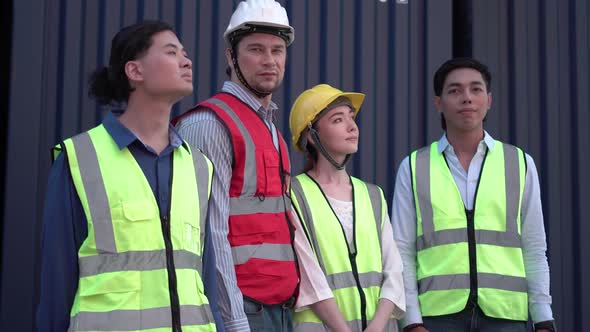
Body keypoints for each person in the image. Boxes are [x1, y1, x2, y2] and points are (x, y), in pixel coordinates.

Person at [36, 20, 221, 331]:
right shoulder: (80, 159)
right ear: (135, 71)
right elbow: (57, 282)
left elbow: (207, 283)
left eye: (185, 54)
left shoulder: (199, 166)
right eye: (171, 52)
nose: (187, 61)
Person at [391, 57, 556, 332]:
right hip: (437, 319)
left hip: (506, 318)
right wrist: (411, 322)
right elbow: (402, 251)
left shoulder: (519, 163)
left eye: (476, 89)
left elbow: (534, 247)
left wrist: (543, 318)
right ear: (438, 103)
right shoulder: (413, 167)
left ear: (489, 100)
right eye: (454, 90)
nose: (466, 98)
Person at [173, 1, 302, 331]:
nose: (269, 60)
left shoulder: (272, 129)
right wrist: (234, 322)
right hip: (242, 311)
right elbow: (208, 232)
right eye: (256, 49)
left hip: (282, 308)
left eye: (277, 50)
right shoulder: (210, 124)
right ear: (231, 56)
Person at [288, 84, 406, 332]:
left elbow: (394, 270)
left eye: (352, 118)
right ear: (311, 135)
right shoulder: (293, 194)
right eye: (338, 120)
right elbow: (310, 278)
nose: (352, 127)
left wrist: (377, 326)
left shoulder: (373, 195)